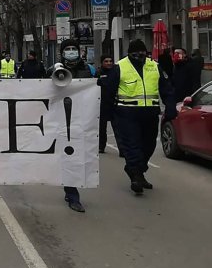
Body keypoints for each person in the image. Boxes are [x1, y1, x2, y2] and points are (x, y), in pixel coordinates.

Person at [101, 39, 176, 195]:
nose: (140, 55)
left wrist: (170, 107)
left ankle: (138, 171)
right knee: (132, 145)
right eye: (136, 53)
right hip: (127, 113)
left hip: (150, 113)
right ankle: (135, 176)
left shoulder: (154, 66)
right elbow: (108, 92)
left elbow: (167, 89)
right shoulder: (120, 67)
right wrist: (107, 113)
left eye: (142, 52)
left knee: (148, 146)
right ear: (129, 54)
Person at [46, 39, 92, 212]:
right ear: (62, 52)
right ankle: (73, 195)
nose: (71, 51)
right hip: (61, 119)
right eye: (68, 49)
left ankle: (70, 188)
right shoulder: (54, 70)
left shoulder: (88, 69)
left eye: (74, 49)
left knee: (79, 156)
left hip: (82, 118)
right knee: (68, 156)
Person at [97, 54, 116, 154]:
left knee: (118, 128)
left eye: (110, 61)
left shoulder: (116, 72)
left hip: (114, 104)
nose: (109, 63)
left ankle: (122, 148)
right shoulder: (98, 73)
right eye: (106, 61)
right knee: (101, 128)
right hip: (102, 104)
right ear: (102, 63)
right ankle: (101, 146)